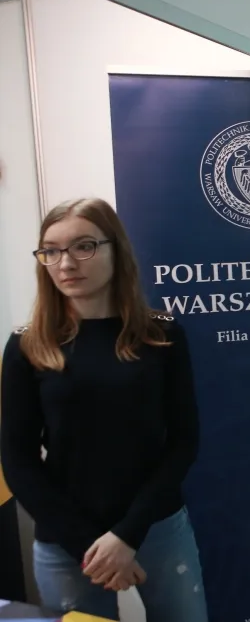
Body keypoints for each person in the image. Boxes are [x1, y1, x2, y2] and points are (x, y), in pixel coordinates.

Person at [0, 198, 208, 621]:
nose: (65, 263)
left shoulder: (162, 335)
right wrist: (90, 547)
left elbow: (183, 441)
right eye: (51, 251)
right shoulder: (27, 344)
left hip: (156, 526)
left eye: (84, 246)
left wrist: (127, 535)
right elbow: (18, 460)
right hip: (66, 538)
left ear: (117, 249)